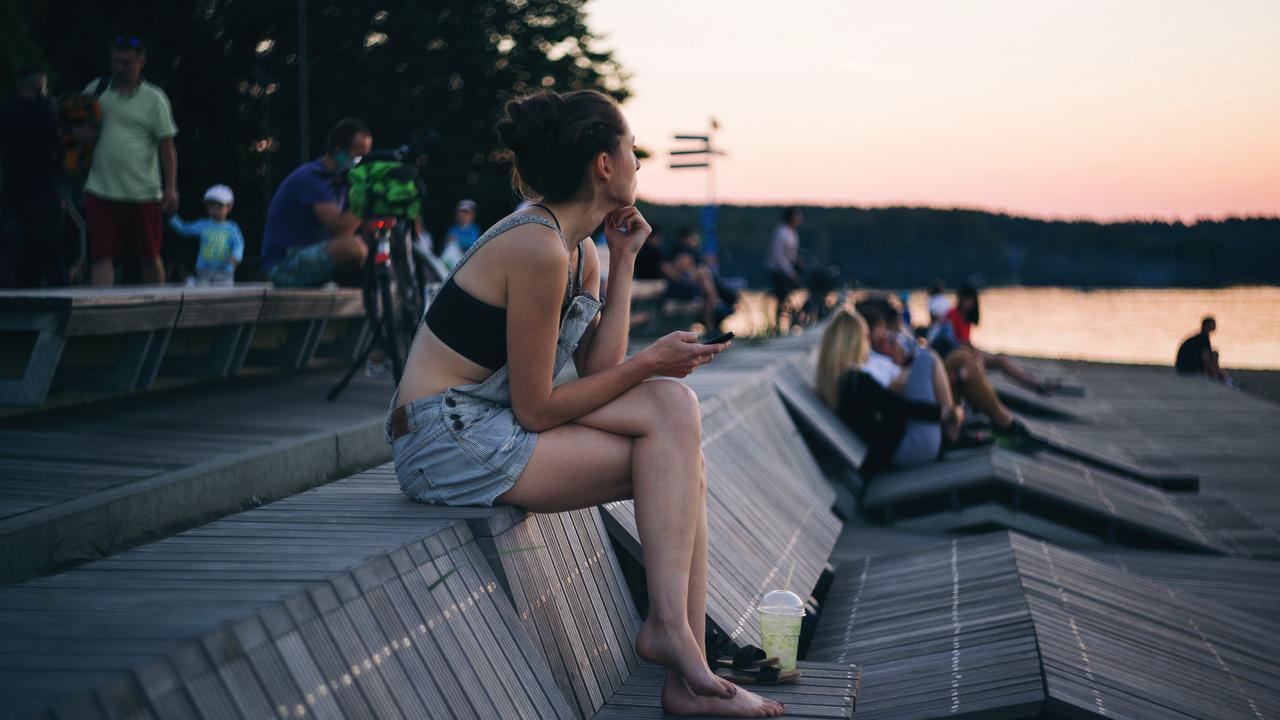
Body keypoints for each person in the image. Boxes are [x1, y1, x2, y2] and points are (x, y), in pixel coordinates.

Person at [388, 90, 779, 718]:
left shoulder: (582, 250)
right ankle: (679, 649)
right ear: (603, 163)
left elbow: (600, 369)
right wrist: (650, 361)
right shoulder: (536, 247)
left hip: (488, 419)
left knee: (675, 415)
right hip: (442, 438)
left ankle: (678, 649)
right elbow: (537, 408)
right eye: (631, 151)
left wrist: (623, 260)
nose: (638, 164)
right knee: (676, 454)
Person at [858, 294, 1034, 443]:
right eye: (881, 326)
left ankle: (1001, 420)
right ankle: (998, 422)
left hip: (924, 400)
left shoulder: (887, 348)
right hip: (920, 412)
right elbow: (900, 391)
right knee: (955, 360)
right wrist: (960, 377)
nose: (887, 329)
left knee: (961, 357)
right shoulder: (874, 361)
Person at [82, 35, 179, 286]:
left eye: (127, 62)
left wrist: (170, 187)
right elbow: (76, 131)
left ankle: (158, 315)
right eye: (116, 61)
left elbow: (167, 146)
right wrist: (82, 135)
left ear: (141, 62)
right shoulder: (96, 90)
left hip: (142, 192)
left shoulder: (154, 98)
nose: (121, 67)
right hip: (100, 188)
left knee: (149, 255)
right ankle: (100, 317)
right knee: (101, 256)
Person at [816, 307, 964, 472]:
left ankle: (952, 429)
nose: (868, 344)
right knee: (926, 358)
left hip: (897, 450)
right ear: (854, 342)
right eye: (865, 338)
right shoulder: (856, 380)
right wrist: (946, 413)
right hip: (911, 449)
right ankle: (953, 431)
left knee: (926, 359)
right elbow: (899, 407)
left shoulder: (840, 382)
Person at [261, 118, 372, 286]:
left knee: (373, 242)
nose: (361, 162)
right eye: (358, 155)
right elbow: (340, 228)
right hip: (283, 263)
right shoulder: (312, 177)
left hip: (309, 256)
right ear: (338, 151)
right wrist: (368, 199)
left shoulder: (343, 181)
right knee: (353, 248)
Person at [0, 65, 64, 288]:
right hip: (43, 192)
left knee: (9, 255)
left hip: (12, 192)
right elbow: (58, 150)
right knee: (51, 254)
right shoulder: (45, 114)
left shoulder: (7, 112)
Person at [944, 284, 1061, 393]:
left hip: (968, 352)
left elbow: (966, 342)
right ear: (961, 299)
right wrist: (975, 351)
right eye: (966, 299)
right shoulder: (953, 314)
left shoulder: (966, 317)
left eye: (971, 300)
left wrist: (976, 350)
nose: (969, 303)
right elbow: (952, 341)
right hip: (961, 356)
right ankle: (1037, 383)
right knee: (1001, 360)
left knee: (1002, 357)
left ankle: (1035, 380)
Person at [167, 184, 244, 286]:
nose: (215, 209)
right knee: (203, 295)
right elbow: (185, 229)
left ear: (229, 206)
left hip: (225, 271)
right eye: (211, 205)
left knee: (224, 296)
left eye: (220, 206)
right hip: (204, 270)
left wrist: (236, 257)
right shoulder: (203, 225)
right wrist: (172, 217)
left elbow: (239, 244)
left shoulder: (232, 228)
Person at [765, 206, 803, 331]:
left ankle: (788, 322)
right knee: (782, 298)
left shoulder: (792, 233)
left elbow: (790, 255)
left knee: (787, 297)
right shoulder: (781, 232)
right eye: (797, 215)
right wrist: (790, 272)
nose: (800, 218)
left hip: (785, 270)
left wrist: (798, 261)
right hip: (777, 271)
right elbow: (779, 256)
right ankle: (777, 326)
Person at [1176, 316, 1229, 383]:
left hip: (1182, 368)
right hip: (1187, 370)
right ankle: (1218, 378)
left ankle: (1219, 377)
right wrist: (1216, 373)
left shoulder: (1200, 337)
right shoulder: (1203, 339)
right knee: (1214, 355)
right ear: (1207, 325)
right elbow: (1206, 360)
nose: (1215, 325)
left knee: (1214, 354)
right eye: (1213, 323)